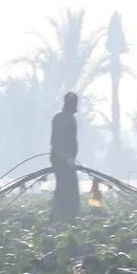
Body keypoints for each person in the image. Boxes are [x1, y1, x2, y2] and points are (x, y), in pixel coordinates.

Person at [49, 92, 81, 221]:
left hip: (69, 160)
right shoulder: (59, 118)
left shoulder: (72, 119)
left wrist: (72, 158)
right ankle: (59, 215)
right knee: (64, 186)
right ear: (67, 104)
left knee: (70, 186)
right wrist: (67, 158)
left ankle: (70, 215)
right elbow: (57, 142)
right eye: (72, 103)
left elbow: (73, 141)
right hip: (59, 159)